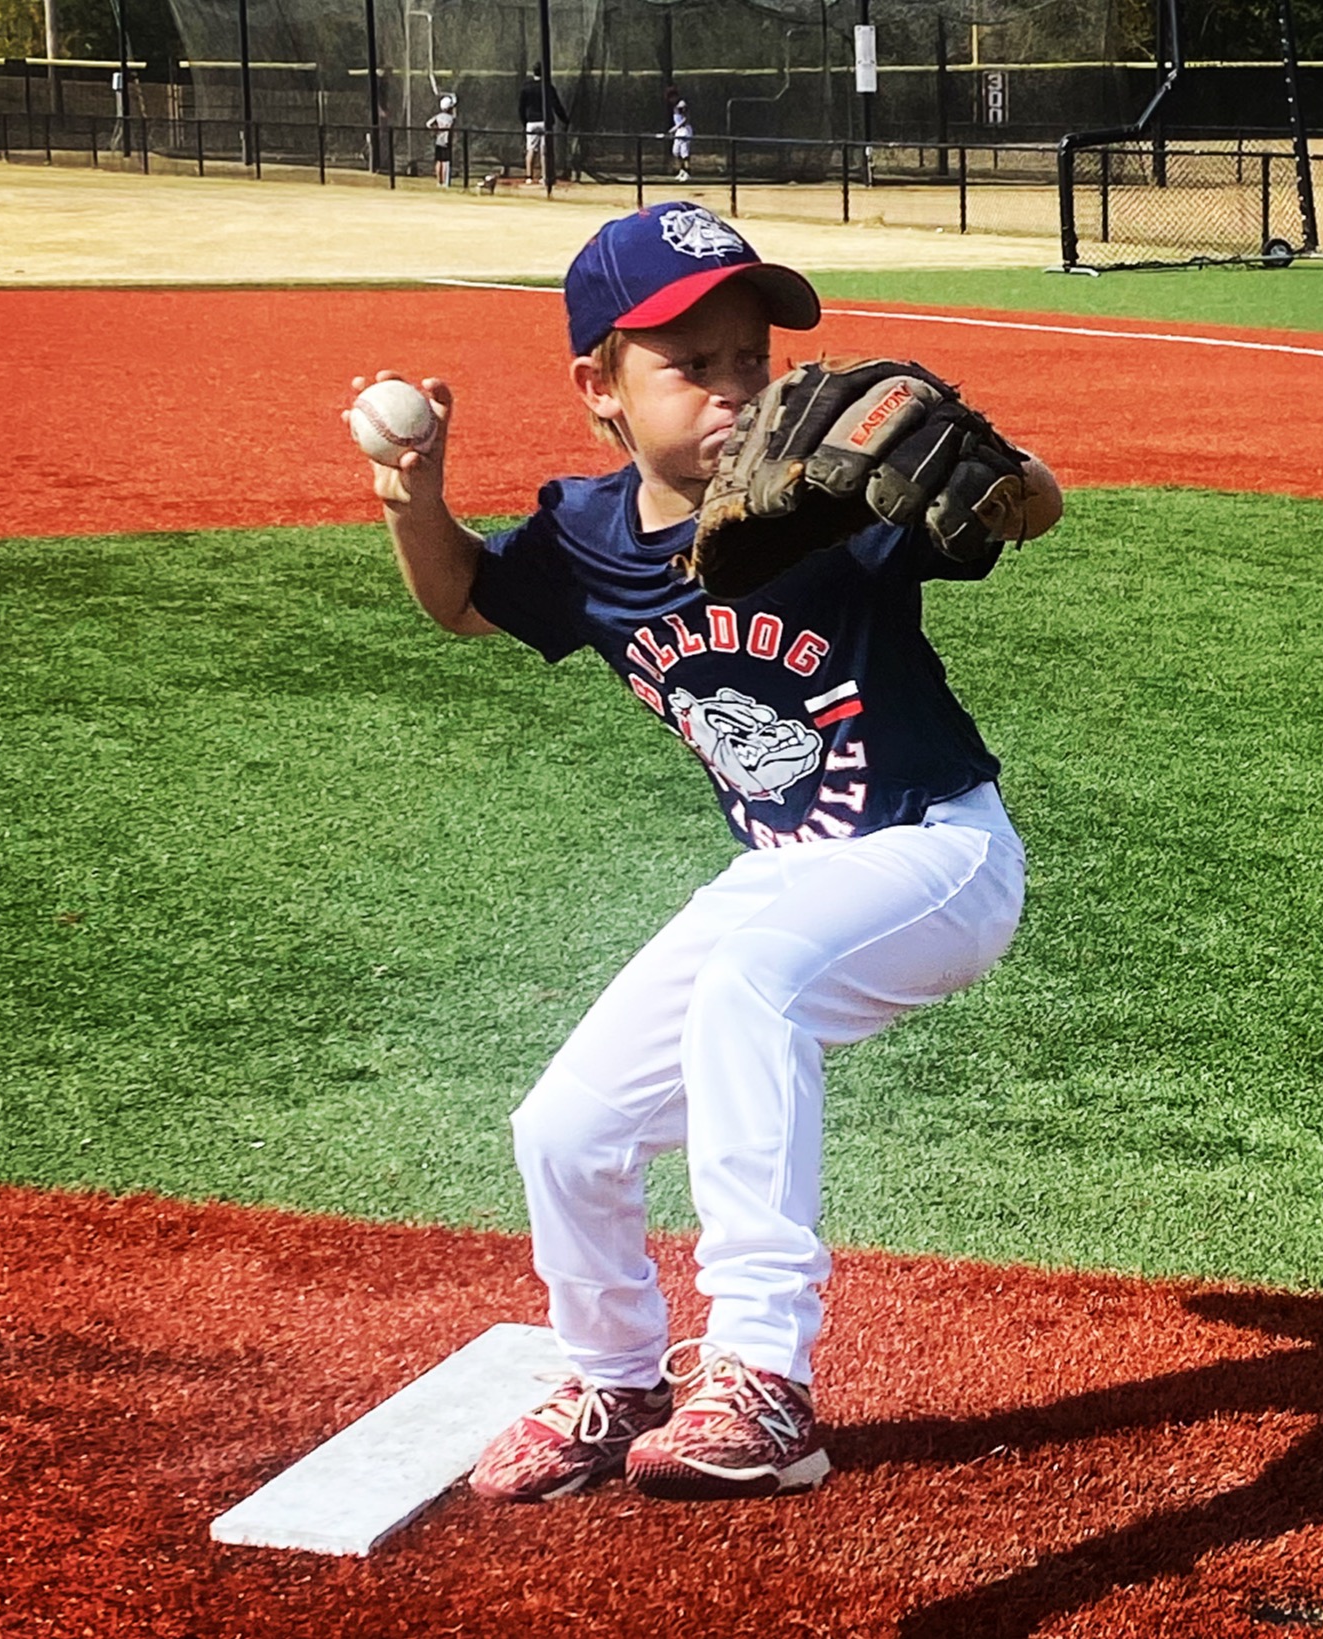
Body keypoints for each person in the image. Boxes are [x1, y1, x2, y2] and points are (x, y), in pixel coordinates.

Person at [347, 202, 1063, 1504]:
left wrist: (1008, 473)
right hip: (785, 871)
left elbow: (1026, 508)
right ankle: (615, 1376)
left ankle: (763, 1373)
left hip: (937, 853)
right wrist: (415, 496)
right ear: (599, 389)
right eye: (690, 362)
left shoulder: (827, 501)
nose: (734, 385)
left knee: (751, 984)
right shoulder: (584, 539)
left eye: (751, 355)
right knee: (565, 1127)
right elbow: (460, 599)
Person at [519, 62, 569, 185]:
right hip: (545, 122)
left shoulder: (526, 88)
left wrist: (525, 122)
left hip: (531, 122)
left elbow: (521, 107)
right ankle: (545, 176)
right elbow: (556, 105)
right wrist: (564, 119)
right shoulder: (548, 87)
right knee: (544, 150)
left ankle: (529, 177)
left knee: (531, 149)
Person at [427, 93, 456, 188]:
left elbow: (428, 124)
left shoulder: (438, 116)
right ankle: (445, 182)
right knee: (445, 162)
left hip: (438, 141)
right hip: (446, 141)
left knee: (439, 161)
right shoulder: (451, 118)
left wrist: (436, 130)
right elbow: (452, 123)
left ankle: (439, 182)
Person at [666, 86, 693, 182]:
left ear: (675, 96)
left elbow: (686, 119)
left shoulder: (682, 104)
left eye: (671, 98)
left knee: (684, 153)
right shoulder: (675, 106)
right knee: (676, 152)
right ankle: (682, 170)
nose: (670, 100)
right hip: (679, 131)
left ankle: (688, 172)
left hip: (685, 130)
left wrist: (675, 128)